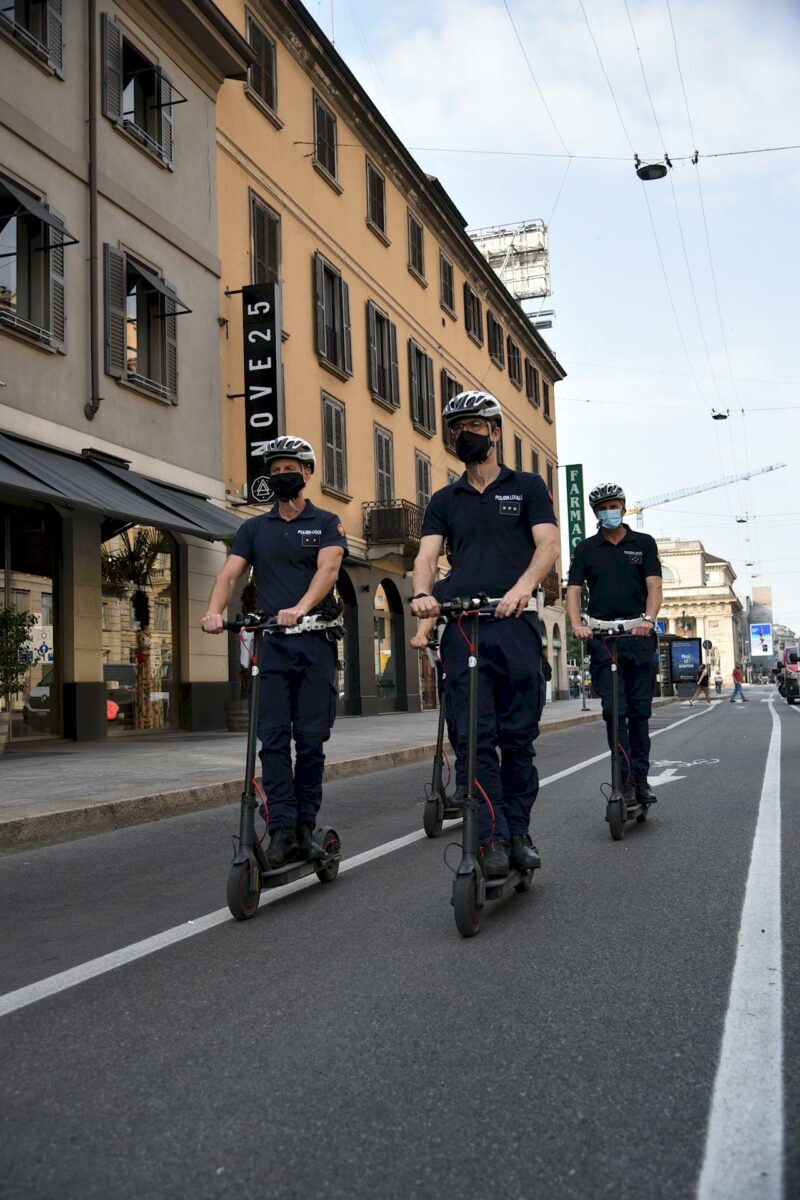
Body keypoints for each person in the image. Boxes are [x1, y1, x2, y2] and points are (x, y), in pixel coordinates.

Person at [410, 390, 560, 879]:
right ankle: (492, 837)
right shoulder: (444, 500)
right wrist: (421, 594)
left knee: (518, 741)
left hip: (514, 626)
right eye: (455, 429)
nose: (462, 435)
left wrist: (521, 588)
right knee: (474, 741)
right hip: (464, 629)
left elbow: (548, 544)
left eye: (472, 425)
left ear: (495, 432)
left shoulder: (529, 486)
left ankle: (520, 832)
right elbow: (427, 557)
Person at [202, 436, 348, 868]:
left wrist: (300, 608)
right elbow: (230, 575)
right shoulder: (253, 529)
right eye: (275, 470)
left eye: (290, 469)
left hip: (315, 642)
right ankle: (282, 829)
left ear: (307, 473)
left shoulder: (327, 522)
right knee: (271, 739)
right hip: (274, 647)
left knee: (309, 740)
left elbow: (330, 569)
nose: (281, 476)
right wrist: (213, 611)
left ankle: (306, 825)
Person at [565, 481, 663, 804]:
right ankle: (623, 775)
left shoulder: (644, 544)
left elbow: (654, 587)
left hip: (638, 635)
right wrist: (577, 624)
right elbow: (574, 592)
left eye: (614, 506)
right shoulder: (586, 549)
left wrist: (648, 620)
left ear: (623, 507)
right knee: (612, 710)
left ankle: (642, 777)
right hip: (603, 638)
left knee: (638, 712)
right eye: (603, 508)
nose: (610, 512)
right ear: (596, 513)